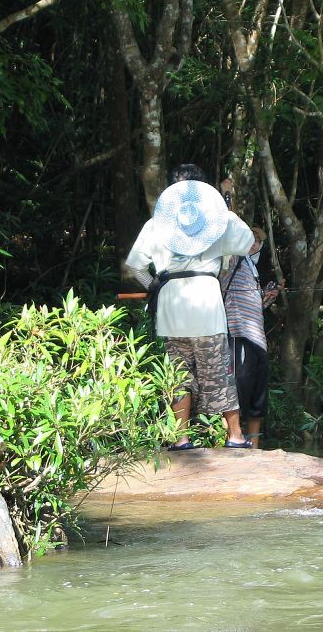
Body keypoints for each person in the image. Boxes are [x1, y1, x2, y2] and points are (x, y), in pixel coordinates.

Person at [125, 164, 255, 450]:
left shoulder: (156, 224)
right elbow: (247, 243)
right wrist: (226, 209)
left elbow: (135, 265)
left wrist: (154, 285)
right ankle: (234, 436)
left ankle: (181, 438)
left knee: (179, 375)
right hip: (206, 303)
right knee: (218, 370)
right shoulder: (218, 221)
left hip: (172, 307)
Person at [219, 224, 279, 450]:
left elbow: (254, 307)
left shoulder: (252, 269)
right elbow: (225, 231)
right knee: (238, 388)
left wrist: (267, 297)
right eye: (250, 238)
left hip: (257, 338)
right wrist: (227, 193)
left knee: (257, 393)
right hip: (238, 334)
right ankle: (233, 438)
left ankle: (254, 447)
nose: (254, 243)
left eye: (258, 241)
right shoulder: (233, 260)